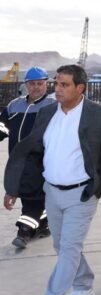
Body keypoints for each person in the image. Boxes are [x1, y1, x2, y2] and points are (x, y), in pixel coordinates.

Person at [4, 64, 101, 295]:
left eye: (64, 85)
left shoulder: (99, 114)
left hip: (82, 194)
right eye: (56, 83)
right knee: (62, 246)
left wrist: (100, 185)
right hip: (52, 192)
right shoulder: (47, 113)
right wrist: (13, 186)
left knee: (69, 248)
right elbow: (32, 151)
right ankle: (84, 284)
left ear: (80, 88)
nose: (57, 89)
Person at [0, 66, 56, 248]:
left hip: (41, 159)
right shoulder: (14, 105)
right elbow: (2, 127)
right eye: (32, 84)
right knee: (29, 192)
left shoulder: (53, 105)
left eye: (40, 83)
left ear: (46, 84)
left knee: (33, 193)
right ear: (26, 85)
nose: (36, 87)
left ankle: (24, 230)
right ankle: (42, 224)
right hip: (18, 159)